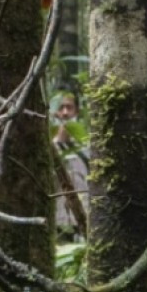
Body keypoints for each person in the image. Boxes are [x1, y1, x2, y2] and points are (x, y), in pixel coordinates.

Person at [51, 89, 89, 235]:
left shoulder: (86, 151)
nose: (65, 113)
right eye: (61, 107)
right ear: (54, 112)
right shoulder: (48, 150)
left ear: (77, 111)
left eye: (69, 107)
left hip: (82, 225)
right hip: (57, 225)